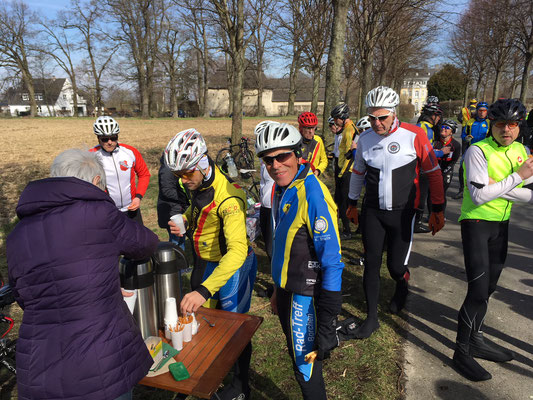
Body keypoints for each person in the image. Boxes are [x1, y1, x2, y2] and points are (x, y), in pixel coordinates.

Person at [7, 149, 159, 400]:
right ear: (97, 181)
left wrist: (97, 285)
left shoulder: (16, 235)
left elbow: (24, 296)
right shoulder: (99, 214)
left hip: (39, 366)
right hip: (100, 361)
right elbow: (146, 244)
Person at [165, 129, 257, 400]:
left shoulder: (229, 199)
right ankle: (202, 374)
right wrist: (184, 219)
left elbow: (238, 250)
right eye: (177, 175)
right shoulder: (199, 181)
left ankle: (241, 387)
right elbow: (200, 210)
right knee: (202, 323)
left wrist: (205, 291)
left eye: (186, 173)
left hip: (232, 266)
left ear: (203, 163)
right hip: (206, 260)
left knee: (234, 330)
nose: (182, 181)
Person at [346, 86, 445, 339]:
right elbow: (357, 172)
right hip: (373, 212)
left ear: (394, 113)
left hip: (403, 213)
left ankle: (402, 285)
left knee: (395, 266)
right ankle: (371, 318)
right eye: (372, 118)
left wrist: (438, 209)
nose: (377, 123)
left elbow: (432, 173)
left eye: (383, 117)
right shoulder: (365, 138)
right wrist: (351, 203)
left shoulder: (413, 134)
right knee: (371, 264)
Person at [255, 121, 344, 400]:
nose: (276, 165)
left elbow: (332, 261)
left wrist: (328, 319)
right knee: (299, 362)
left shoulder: (312, 192)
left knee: (305, 368)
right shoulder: (284, 188)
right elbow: (285, 248)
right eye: (269, 160)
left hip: (304, 297)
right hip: (287, 291)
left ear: (298, 155)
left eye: (283, 157)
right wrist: (277, 291)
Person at [452, 98, 533, 382]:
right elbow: (478, 196)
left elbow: (530, 194)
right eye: (501, 124)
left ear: (519, 126)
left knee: (490, 287)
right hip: (476, 223)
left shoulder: (521, 150)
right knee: (477, 290)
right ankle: (461, 352)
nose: (507, 130)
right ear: (491, 125)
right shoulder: (478, 150)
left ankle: (477, 338)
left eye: (513, 124)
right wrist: (517, 178)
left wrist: (496, 187)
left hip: (502, 224)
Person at [91, 116, 151, 224]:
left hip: (132, 209)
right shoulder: (91, 155)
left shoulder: (130, 152)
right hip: (107, 212)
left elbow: (144, 175)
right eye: (105, 139)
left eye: (113, 138)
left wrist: (138, 197)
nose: (110, 142)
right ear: (98, 138)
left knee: (138, 240)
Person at [415, 103, 444, 233]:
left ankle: (416, 222)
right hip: (422, 168)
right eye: (437, 115)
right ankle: (416, 224)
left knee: (423, 194)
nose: (439, 119)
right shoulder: (424, 128)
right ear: (431, 115)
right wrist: (441, 152)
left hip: (423, 168)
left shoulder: (428, 127)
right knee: (421, 196)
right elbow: (425, 152)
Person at [453, 102, 490, 199]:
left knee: (485, 171)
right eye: (480, 110)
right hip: (471, 149)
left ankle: (484, 191)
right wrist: (466, 138)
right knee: (462, 168)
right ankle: (461, 190)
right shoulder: (470, 122)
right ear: (477, 111)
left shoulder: (489, 123)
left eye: (484, 111)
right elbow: (463, 135)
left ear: (487, 112)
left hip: (485, 151)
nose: (482, 113)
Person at [331, 103, 357, 239]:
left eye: (336, 119)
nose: (335, 122)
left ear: (342, 117)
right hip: (342, 169)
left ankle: (347, 231)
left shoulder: (350, 129)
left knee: (343, 201)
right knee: (340, 200)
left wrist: (343, 172)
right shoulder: (347, 128)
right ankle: (347, 228)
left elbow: (351, 152)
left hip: (347, 171)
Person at [431, 119, 461, 214]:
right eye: (442, 127)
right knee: (431, 193)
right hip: (433, 171)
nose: (444, 129)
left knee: (441, 193)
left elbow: (454, 161)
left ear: (452, 132)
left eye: (447, 128)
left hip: (446, 171)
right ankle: (431, 213)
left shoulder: (456, 145)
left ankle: (440, 213)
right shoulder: (435, 142)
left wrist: (445, 171)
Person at [298, 111, 328, 176]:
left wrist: (318, 170)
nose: (311, 131)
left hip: (312, 177)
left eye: (313, 128)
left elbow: (324, 160)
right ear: (301, 128)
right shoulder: (295, 141)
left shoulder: (318, 141)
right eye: (308, 128)